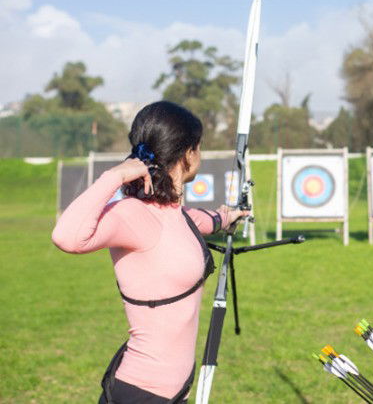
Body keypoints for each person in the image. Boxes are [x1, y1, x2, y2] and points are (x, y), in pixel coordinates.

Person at [52, 101, 248, 403]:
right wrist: (115, 176)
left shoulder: (171, 213)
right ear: (188, 153)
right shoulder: (132, 215)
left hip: (173, 391)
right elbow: (67, 237)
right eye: (199, 147)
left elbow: (196, 222)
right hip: (141, 393)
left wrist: (227, 217)